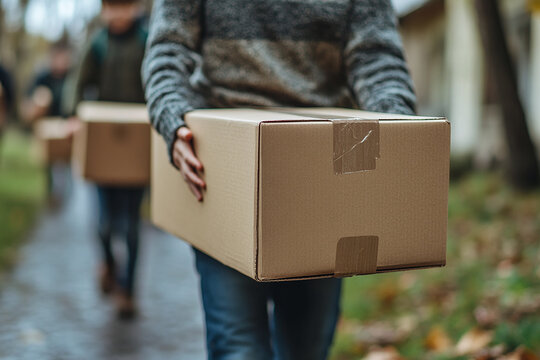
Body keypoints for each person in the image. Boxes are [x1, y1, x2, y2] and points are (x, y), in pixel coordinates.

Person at [143, 0, 416, 359]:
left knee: (306, 349)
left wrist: (396, 129)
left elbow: (377, 59)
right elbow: (168, 49)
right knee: (237, 348)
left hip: (322, 175)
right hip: (224, 171)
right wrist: (174, 119)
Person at [66, 0, 148, 319]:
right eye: (112, 6)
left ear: (136, 7)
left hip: (136, 146)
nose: (118, 13)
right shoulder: (97, 43)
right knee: (103, 225)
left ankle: (128, 291)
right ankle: (109, 267)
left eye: (124, 6)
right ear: (104, 10)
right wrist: (73, 115)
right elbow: (78, 82)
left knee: (130, 226)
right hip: (103, 146)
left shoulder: (145, 40)